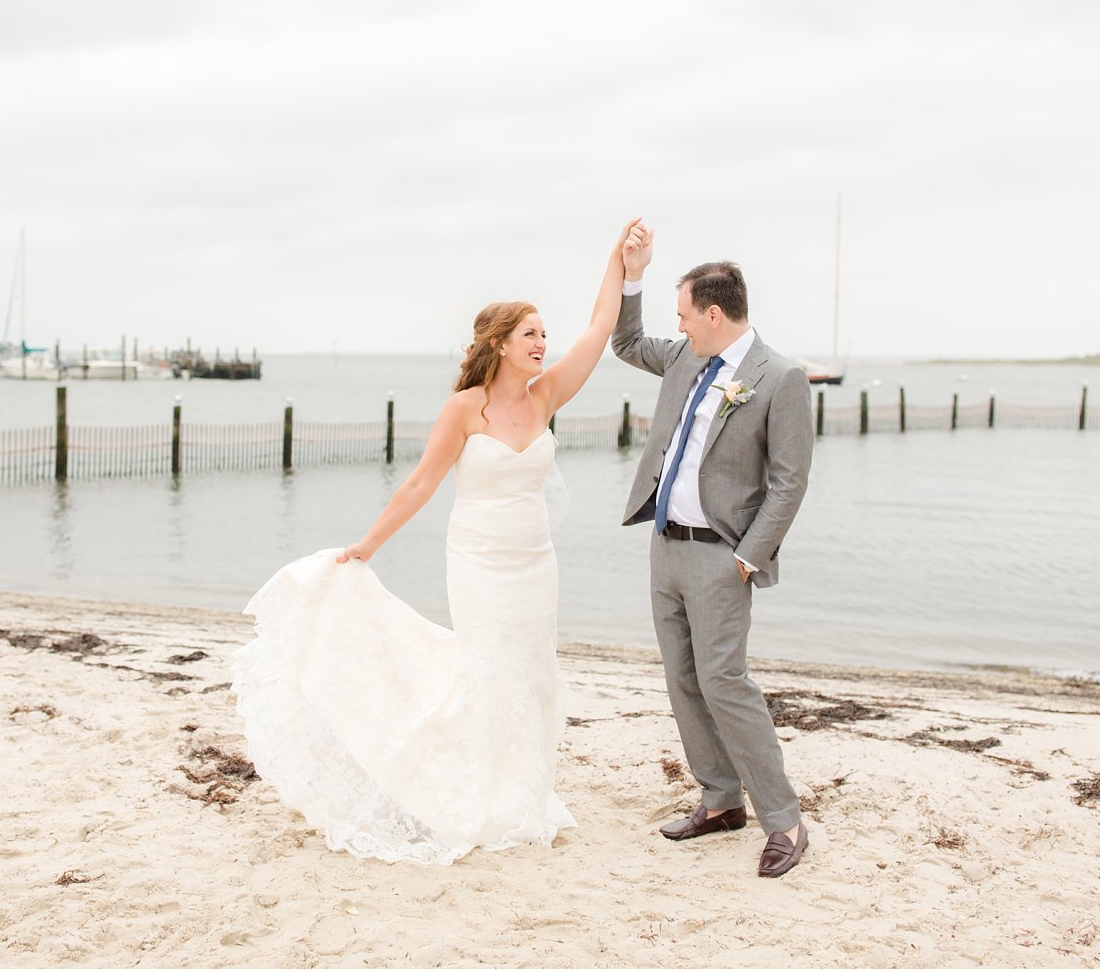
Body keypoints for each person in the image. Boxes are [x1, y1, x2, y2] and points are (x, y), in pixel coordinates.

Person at [230, 218, 646, 865]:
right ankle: (463, 790)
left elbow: (599, 326)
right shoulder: (466, 408)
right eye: (530, 334)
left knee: (531, 674)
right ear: (501, 344)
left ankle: (519, 793)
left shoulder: (546, 396)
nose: (544, 342)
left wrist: (620, 262)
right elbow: (422, 484)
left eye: (543, 333)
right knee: (487, 668)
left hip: (535, 563)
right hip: (478, 561)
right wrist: (367, 545)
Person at [611, 231, 815, 878]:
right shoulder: (683, 359)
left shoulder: (779, 378)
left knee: (726, 683)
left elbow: (790, 480)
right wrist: (632, 278)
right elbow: (624, 343)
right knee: (681, 679)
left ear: (714, 315)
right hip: (665, 546)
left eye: (683, 314)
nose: (678, 326)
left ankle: (782, 819)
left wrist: (749, 557)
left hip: (721, 558)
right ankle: (721, 800)